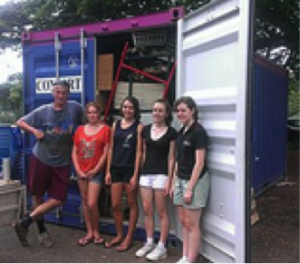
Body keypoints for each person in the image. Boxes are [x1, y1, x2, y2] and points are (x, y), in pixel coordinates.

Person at [14, 80, 85, 248]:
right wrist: (34, 131)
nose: (61, 96)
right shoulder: (43, 111)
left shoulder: (75, 108)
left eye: (64, 93)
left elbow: (87, 123)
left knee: (60, 198)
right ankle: (42, 232)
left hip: (62, 161)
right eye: (58, 92)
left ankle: (25, 222)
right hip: (41, 158)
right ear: (53, 93)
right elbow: (20, 122)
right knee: (37, 195)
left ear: (68, 94)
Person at [135, 99, 177, 261]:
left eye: (160, 110)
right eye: (154, 110)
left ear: (166, 113)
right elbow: (143, 152)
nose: (156, 113)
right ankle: (149, 242)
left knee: (161, 211)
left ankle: (162, 246)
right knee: (147, 209)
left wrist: (169, 179)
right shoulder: (145, 130)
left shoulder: (171, 132)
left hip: (161, 175)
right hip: (146, 174)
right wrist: (140, 172)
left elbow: (171, 158)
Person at [170, 96, 210, 264]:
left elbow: (199, 163)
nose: (180, 114)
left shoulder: (199, 132)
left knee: (192, 224)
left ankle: (191, 260)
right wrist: (174, 182)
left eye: (183, 110)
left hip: (195, 181)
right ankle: (185, 256)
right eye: (178, 111)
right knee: (184, 222)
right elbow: (178, 160)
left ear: (192, 110)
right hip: (180, 179)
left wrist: (190, 188)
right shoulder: (181, 132)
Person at [105, 96, 143, 252]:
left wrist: (135, 174)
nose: (127, 110)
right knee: (115, 204)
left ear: (135, 110)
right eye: (125, 107)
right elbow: (111, 148)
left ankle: (129, 238)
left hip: (129, 170)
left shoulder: (139, 127)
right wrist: (108, 171)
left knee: (132, 204)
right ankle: (120, 234)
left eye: (131, 108)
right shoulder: (116, 124)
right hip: (116, 168)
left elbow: (139, 152)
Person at [72, 102, 111, 246]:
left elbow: (106, 152)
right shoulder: (80, 129)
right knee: (84, 201)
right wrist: (78, 169)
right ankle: (89, 232)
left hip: (96, 172)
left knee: (92, 202)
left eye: (95, 112)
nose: (92, 115)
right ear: (86, 114)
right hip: (81, 171)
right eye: (90, 112)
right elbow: (75, 150)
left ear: (99, 113)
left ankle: (96, 231)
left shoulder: (106, 129)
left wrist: (95, 170)